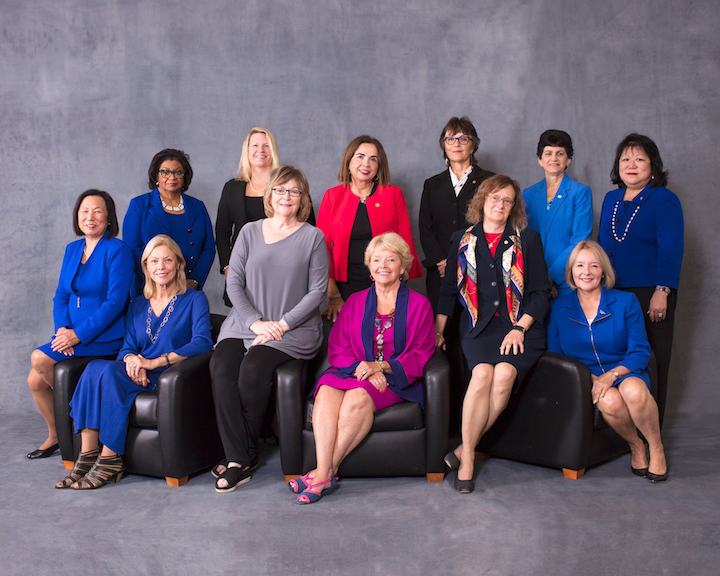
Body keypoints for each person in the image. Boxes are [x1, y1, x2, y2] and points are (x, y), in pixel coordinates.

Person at [55, 235, 212, 489]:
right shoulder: (138, 304)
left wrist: (153, 363)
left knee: (110, 375)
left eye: (167, 260)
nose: (161, 266)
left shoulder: (194, 299)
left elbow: (203, 342)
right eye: (154, 261)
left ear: (178, 264)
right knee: (94, 367)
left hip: (172, 376)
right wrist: (132, 361)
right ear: (146, 267)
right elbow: (128, 347)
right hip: (138, 373)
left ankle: (109, 459)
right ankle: (87, 457)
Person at [289, 233, 435, 504]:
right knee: (326, 391)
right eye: (377, 259)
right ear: (369, 266)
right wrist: (362, 368)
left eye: (391, 259)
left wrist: (380, 367)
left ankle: (321, 473)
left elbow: (421, 352)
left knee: (357, 398)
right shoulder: (355, 302)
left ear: (403, 267)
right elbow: (339, 348)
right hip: (354, 370)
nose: (383, 265)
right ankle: (325, 472)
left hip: (396, 379)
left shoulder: (419, 304)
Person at [210, 165, 329, 493]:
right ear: (269, 195)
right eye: (280, 190)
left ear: (303, 198)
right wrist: (255, 322)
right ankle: (243, 455)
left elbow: (317, 291)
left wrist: (281, 324)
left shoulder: (313, 237)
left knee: (252, 370)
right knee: (220, 367)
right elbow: (233, 280)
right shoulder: (249, 231)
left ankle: (238, 459)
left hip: (293, 328)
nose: (286, 197)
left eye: (294, 191)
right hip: (246, 322)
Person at [435, 175, 552, 493]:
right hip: (477, 327)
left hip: (521, 326)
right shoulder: (461, 239)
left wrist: (519, 328)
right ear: (482, 201)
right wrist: (439, 332)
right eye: (494, 198)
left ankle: (464, 451)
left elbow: (541, 292)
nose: (500, 205)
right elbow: (448, 292)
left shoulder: (527, 239)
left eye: (507, 200)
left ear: (513, 207)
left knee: (502, 377)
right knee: (482, 375)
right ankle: (470, 456)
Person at [548, 241, 667, 481]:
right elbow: (556, 355)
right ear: (571, 271)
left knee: (633, 391)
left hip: (625, 370)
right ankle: (635, 445)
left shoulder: (626, 301)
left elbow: (641, 350)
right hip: (586, 377)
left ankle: (656, 448)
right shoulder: (558, 308)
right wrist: (587, 378)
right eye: (579, 265)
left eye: (594, 265)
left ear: (603, 271)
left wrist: (612, 374)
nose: (586, 272)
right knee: (608, 401)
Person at [27, 190, 133, 460]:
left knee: (39, 357)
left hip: (104, 337)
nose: (90, 217)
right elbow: (62, 295)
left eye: (98, 211)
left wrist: (78, 335)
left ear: (108, 217)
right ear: (77, 216)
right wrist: (63, 329)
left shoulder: (118, 250)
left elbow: (115, 302)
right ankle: (56, 436)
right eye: (84, 211)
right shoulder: (72, 249)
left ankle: (78, 419)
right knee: (35, 381)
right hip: (71, 334)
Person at [598, 134, 683, 424]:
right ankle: (624, 423)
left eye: (639, 159)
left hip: (651, 292)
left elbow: (671, 249)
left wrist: (663, 291)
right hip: (614, 292)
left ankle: (652, 429)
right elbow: (603, 246)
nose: (631, 165)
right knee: (621, 357)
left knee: (653, 359)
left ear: (653, 166)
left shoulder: (664, 200)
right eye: (625, 159)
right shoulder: (611, 198)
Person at [418, 116, 495, 434]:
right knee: (444, 341)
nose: (457, 143)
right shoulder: (432, 184)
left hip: (478, 272)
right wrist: (441, 260)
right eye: (451, 138)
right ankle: (446, 423)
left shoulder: (490, 181)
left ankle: (474, 420)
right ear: (443, 145)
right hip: (441, 274)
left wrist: (463, 259)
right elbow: (425, 227)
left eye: (463, 138)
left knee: (474, 340)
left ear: (474, 144)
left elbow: (490, 224)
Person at [317, 135, 422, 321]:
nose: (366, 164)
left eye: (373, 159)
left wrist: (396, 290)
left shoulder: (393, 194)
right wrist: (333, 295)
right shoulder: (332, 196)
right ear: (348, 162)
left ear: (379, 166)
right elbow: (322, 251)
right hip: (343, 287)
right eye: (360, 156)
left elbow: (405, 245)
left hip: (386, 282)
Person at [123, 148, 215, 294]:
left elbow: (208, 247)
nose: (172, 177)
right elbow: (132, 249)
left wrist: (195, 281)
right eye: (165, 172)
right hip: (148, 289)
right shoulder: (139, 205)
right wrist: (158, 281)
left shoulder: (198, 206)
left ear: (185, 176)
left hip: (188, 289)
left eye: (178, 172)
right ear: (156, 176)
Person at [522, 129, 593, 298]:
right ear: (540, 159)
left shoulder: (580, 192)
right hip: (532, 279)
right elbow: (522, 238)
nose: (553, 158)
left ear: (568, 160)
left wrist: (551, 277)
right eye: (548, 153)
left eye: (560, 153)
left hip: (566, 279)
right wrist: (537, 277)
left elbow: (580, 240)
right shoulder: (527, 194)